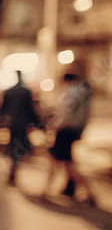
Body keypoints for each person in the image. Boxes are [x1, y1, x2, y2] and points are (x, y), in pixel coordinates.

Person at [42, 71, 97, 205]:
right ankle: (77, 191)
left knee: (63, 161)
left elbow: (65, 115)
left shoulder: (70, 94)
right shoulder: (82, 94)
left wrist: (54, 126)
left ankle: (46, 191)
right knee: (65, 162)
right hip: (74, 130)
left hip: (65, 131)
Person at [0, 70, 39, 186]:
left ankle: (13, 167)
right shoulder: (26, 92)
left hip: (12, 122)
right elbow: (30, 109)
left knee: (14, 145)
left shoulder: (9, 92)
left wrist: (2, 122)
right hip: (22, 123)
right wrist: (36, 123)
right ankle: (14, 167)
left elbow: (3, 109)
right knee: (20, 146)